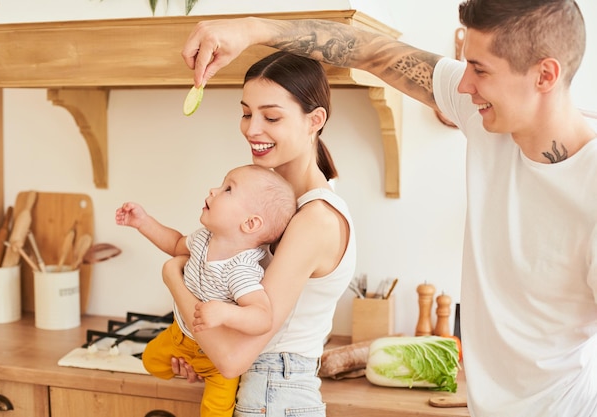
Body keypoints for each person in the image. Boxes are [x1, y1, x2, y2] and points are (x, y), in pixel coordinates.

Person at [179, 1, 597, 417]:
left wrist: (171, 276)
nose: (464, 84)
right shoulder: (483, 117)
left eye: (481, 70)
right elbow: (372, 52)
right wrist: (251, 29)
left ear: (545, 75)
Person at [163, 50, 356, 417]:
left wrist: (173, 277)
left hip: (273, 395)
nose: (252, 129)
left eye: (271, 116)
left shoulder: (314, 219)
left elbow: (234, 358)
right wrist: (198, 350)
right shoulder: (281, 204)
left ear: (314, 120)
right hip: (264, 391)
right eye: (247, 113)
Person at [115, 164, 297, 417]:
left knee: (215, 412)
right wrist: (143, 222)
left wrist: (224, 313)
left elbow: (262, 317)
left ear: (251, 223)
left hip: (216, 360)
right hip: (181, 334)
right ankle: (188, 365)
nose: (213, 190)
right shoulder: (204, 238)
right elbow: (176, 243)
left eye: (228, 189)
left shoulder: (241, 269)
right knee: (151, 362)